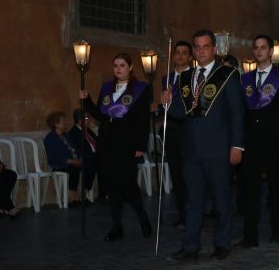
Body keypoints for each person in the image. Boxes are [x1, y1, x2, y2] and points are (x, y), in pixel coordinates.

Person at [161, 29, 244, 262]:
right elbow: (181, 113)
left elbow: (237, 113)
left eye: (205, 46)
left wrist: (237, 146)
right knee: (193, 201)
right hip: (191, 150)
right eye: (197, 47)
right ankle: (190, 248)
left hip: (219, 149)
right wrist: (167, 103)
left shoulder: (227, 74)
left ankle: (222, 244)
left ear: (214, 49)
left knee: (221, 201)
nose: (200, 51)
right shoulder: (186, 78)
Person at [80, 53, 152, 241]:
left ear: (130, 68)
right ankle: (116, 227)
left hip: (128, 143)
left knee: (128, 185)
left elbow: (143, 120)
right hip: (107, 142)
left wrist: (140, 145)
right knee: (111, 187)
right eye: (115, 65)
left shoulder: (141, 89)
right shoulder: (106, 88)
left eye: (122, 65)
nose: (118, 68)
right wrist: (87, 100)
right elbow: (101, 115)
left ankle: (143, 218)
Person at [235, 34, 279, 249]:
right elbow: (241, 113)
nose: (259, 51)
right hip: (251, 142)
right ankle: (250, 235)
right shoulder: (246, 79)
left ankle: (277, 228)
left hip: (275, 141)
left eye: (263, 48)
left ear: (271, 52)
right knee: (250, 190)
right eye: (256, 48)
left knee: (276, 188)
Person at [160, 40, 193, 229]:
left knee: (190, 176)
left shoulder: (194, 77)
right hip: (172, 132)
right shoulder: (167, 78)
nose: (180, 55)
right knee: (177, 177)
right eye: (177, 52)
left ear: (190, 57)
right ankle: (182, 215)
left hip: (188, 131)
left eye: (184, 53)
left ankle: (192, 215)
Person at [44, 111, 82, 205]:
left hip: (72, 162)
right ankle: (72, 198)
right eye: (63, 121)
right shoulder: (51, 138)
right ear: (56, 124)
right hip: (59, 164)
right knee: (74, 169)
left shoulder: (66, 135)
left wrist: (80, 159)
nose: (66, 122)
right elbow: (55, 155)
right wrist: (70, 161)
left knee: (88, 166)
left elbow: (76, 148)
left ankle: (82, 196)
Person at [68, 109, 101, 201]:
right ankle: (83, 194)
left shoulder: (88, 131)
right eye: (87, 118)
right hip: (85, 159)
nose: (89, 120)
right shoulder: (74, 133)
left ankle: (105, 194)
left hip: (94, 156)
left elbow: (97, 142)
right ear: (79, 120)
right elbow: (78, 150)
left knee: (107, 164)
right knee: (92, 165)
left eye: (89, 118)